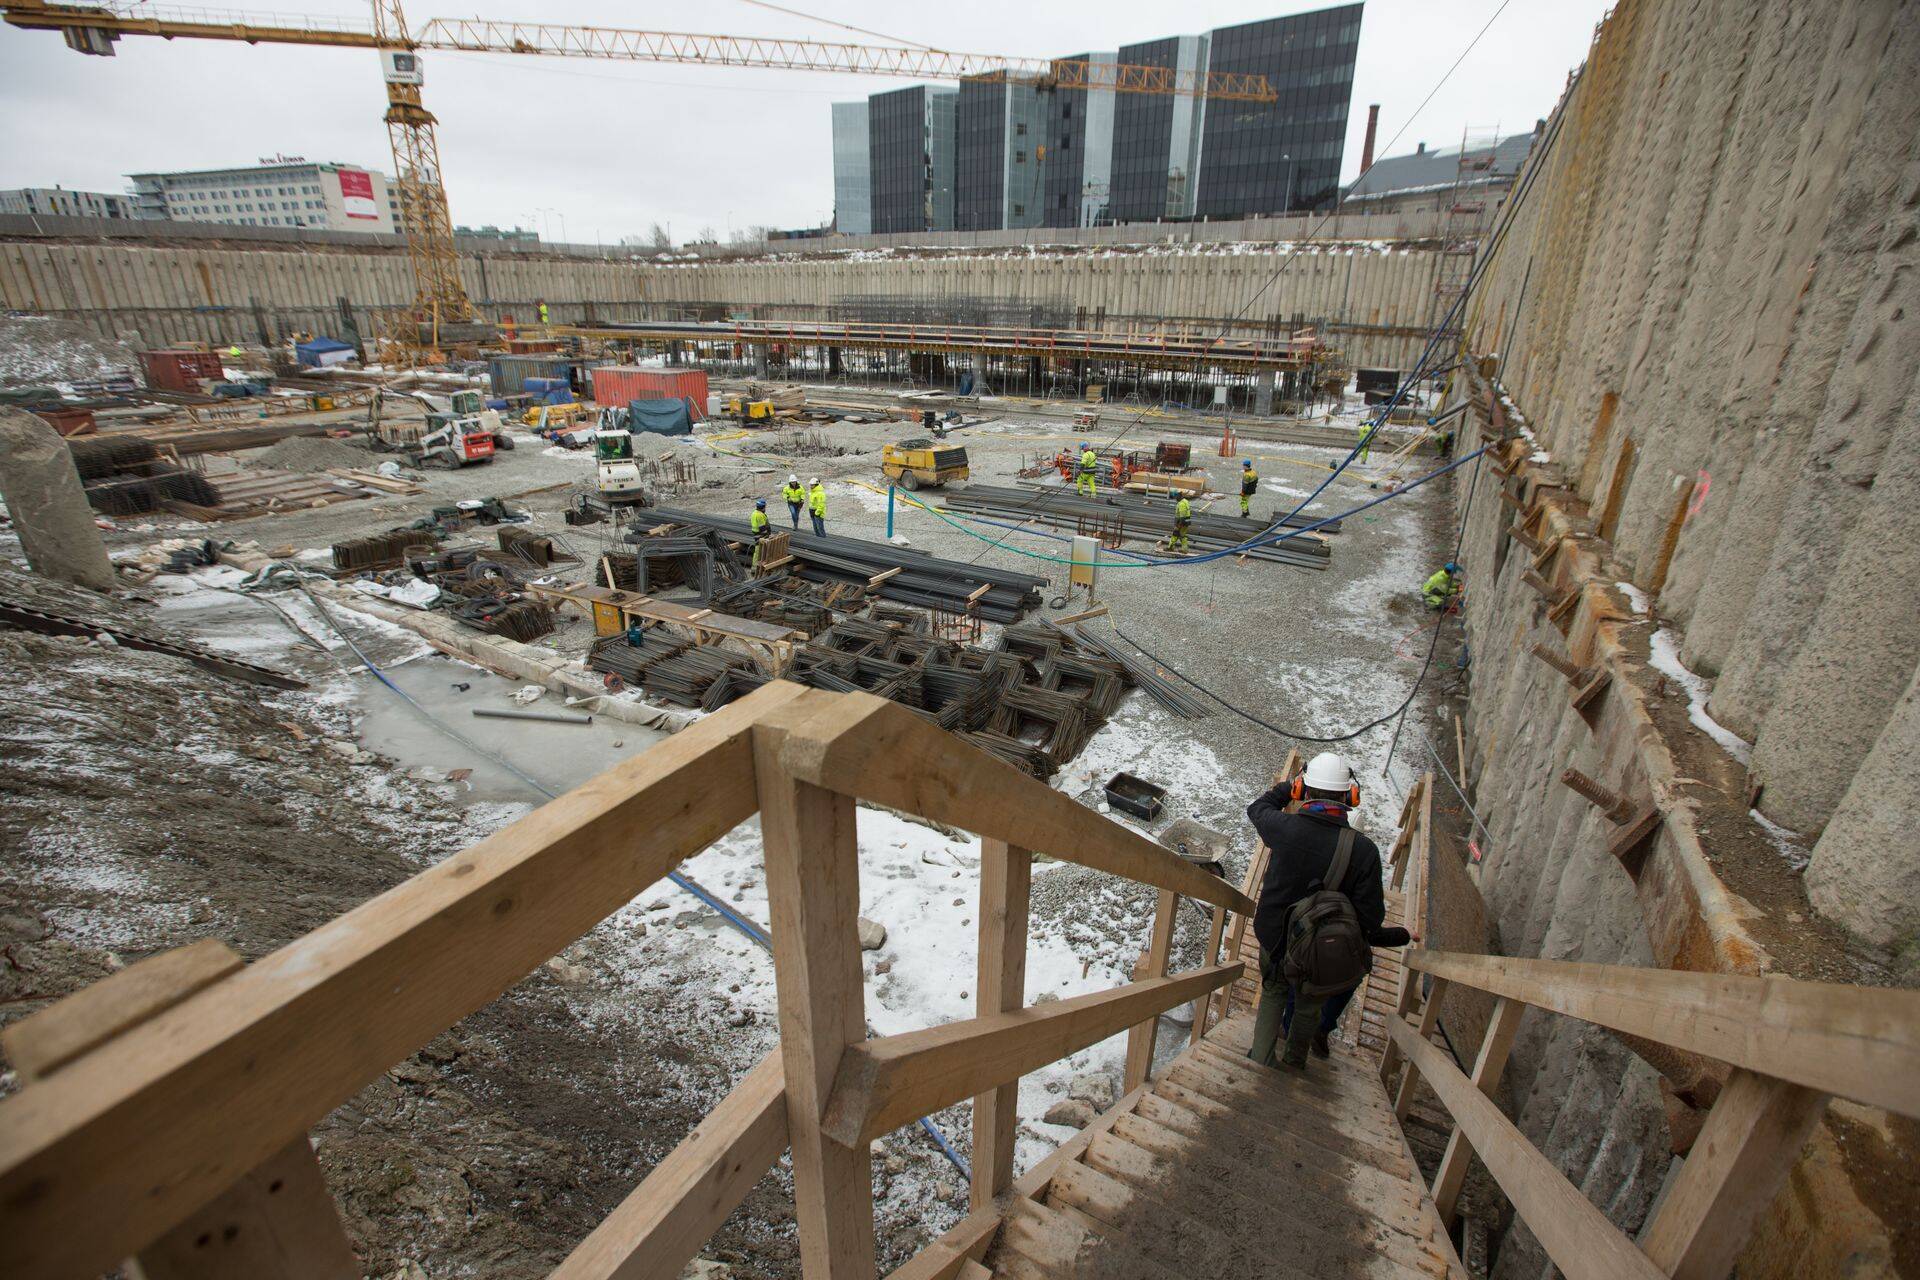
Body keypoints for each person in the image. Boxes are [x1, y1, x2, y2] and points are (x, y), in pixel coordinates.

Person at [1247, 753, 1415, 1071]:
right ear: (1349, 797)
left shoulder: (1283, 827)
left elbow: (1257, 809)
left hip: (1275, 939)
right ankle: (1296, 1062)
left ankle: (1260, 1061)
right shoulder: (1363, 851)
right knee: (1309, 1006)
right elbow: (1369, 920)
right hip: (1321, 952)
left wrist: (1287, 788)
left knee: (1273, 993)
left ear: (1303, 791)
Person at [749, 499, 770, 571]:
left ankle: (755, 566)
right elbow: (762, 528)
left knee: (758, 550)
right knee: (759, 550)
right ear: (763, 507)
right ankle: (755, 568)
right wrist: (767, 536)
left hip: (755, 533)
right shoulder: (760, 515)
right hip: (760, 535)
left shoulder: (754, 513)